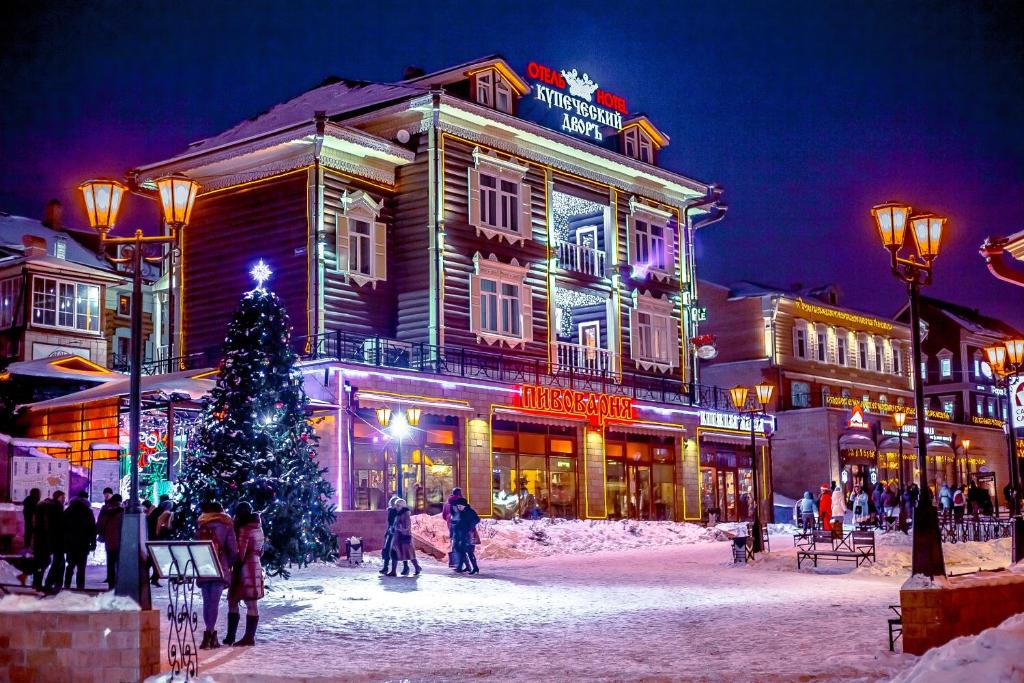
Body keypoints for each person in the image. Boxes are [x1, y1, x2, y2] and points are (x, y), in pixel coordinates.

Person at [195, 500, 238, 650]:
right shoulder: (226, 525)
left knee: (207, 602)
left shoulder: (201, 524)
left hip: (204, 566)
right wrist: (229, 564)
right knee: (214, 602)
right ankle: (209, 635)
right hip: (220, 566)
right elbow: (233, 550)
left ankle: (209, 634)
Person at [226, 502, 264, 647]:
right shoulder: (258, 527)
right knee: (251, 602)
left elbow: (240, 554)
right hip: (256, 566)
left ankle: (234, 636)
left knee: (235, 601)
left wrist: (231, 562)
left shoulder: (244, 529)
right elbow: (261, 550)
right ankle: (248, 636)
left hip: (244, 569)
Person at [31, 490, 66, 592]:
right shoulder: (55, 508)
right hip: (47, 540)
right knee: (46, 562)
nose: (64, 500)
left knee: (42, 562)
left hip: (42, 539)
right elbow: (54, 526)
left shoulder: (43, 508)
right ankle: (46, 584)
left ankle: (38, 583)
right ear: (57, 497)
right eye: (62, 497)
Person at [63, 490, 97, 590]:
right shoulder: (88, 511)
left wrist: (64, 542)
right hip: (83, 543)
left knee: (70, 565)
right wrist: (93, 543)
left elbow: (63, 527)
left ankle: (67, 585)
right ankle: (80, 587)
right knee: (81, 567)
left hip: (70, 543)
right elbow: (92, 529)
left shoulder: (68, 510)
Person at [96, 493, 124, 589]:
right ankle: (118, 583)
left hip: (109, 540)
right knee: (119, 563)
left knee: (110, 562)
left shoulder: (105, 510)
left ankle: (111, 584)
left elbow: (99, 525)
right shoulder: (123, 512)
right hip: (121, 541)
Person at [387, 498, 421, 577]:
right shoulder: (399, 513)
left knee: (409, 554)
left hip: (404, 537)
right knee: (394, 553)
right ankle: (393, 571)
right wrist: (393, 528)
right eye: (396, 505)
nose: (396, 507)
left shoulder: (405, 514)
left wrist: (398, 527)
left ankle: (417, 567)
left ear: (402, 506)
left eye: (398, 505)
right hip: (398, 538)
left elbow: (407, 526)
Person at [451, 497, 481, 574]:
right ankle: (468, 567)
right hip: (463, 535)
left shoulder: (469, 511)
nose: (459, 507)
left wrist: (470, 527)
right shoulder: (462, 512)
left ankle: (475, 568)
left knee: (469, 552)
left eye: (460, 506)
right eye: (458, 506)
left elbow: (477, 519)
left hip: (468, 535)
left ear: (464, 505)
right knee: (463, 551)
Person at [441, 487, 462, 568]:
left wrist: (448, 520)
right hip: (460, 526)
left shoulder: (447, 503)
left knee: (454, 542)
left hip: (451, 526)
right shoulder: (460, 502)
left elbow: (443, 516)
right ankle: (459, 563)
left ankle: (455, 562)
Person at [379, 495, 400, 575]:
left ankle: (389, 569)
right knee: (388, 550)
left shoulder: (396, 512)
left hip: (395, 533)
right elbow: (390, 523)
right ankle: (386, 568)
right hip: (391, 532)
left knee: (393, 551)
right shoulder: (392, 511)